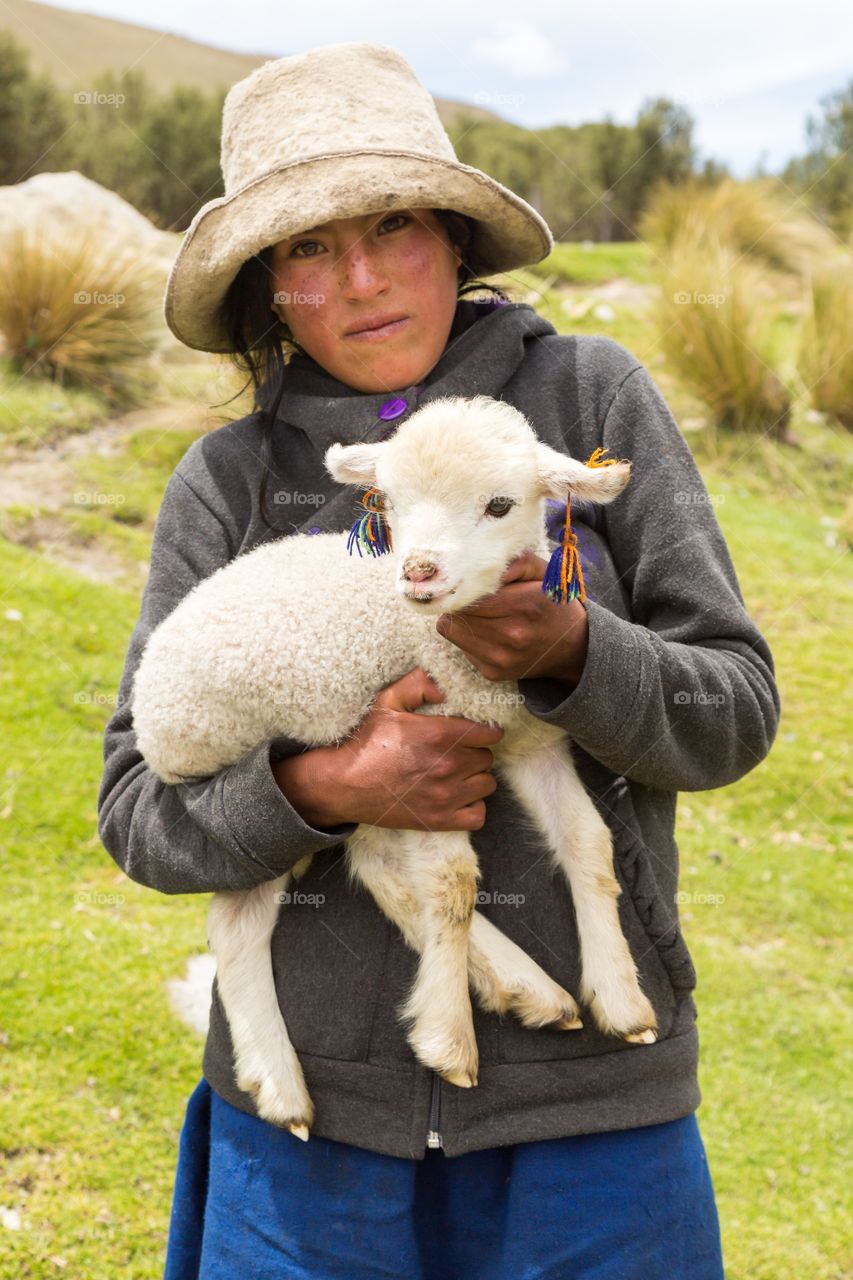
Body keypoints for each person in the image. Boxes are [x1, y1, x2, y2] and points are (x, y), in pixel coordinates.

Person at [97, 41, 780, 1280]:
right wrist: (323, 789)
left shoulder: (588, 404)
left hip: (592, 1118)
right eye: (308, 246)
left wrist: (573, 651)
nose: (359, 278)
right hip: (312, 1144)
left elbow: (731, 711)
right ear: (267, 283)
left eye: (394, 224)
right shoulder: (228, 481)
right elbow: (140, 813)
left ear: (454, 238)